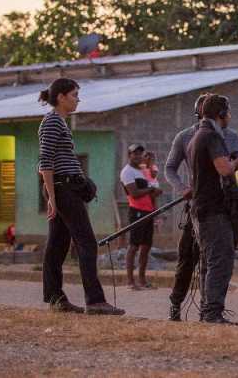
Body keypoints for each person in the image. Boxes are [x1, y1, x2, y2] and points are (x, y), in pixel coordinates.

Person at [38, 78, 124, 315]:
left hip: (65, 188)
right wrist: (52, 197)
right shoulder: (52, 122)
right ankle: (95, 301)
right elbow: (45, 162)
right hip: (62, 189)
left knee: (57, 245)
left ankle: (55, 298)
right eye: (74, 95)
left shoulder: (59, 122)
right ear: (61, 97)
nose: (78, 99)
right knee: (86, 242)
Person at [164, 93, 238, 321]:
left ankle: (207, 308)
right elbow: (170, 168)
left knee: (217, 257)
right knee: (190, 259)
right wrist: (182, 188)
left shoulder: (229, 136)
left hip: (223, 205)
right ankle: (179, 304)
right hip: (202, 206)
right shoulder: (191, 136)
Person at [187, 94, 238, 324]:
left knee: (209, 262)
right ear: (221, 114)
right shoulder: (211, 136)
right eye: (228, 112)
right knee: (221, 260)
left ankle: (207, 310)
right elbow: (225, 169)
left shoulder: (197, 136)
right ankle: (213, 312)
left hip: (202, 208)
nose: (230, 116)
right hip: (213, 210)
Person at [120, 144, 163, 290]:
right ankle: (130, 282)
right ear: (129, 155)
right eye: (135, 153)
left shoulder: (143, 170)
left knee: (146, 246)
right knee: (134, 246)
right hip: (136, 211)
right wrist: (151, 189)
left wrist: (155, 192)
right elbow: (134, 193)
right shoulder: (127, 172)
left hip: (149, 211)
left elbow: (152, 190)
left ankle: (142, 280)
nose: (138, 156)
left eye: (140, 154)